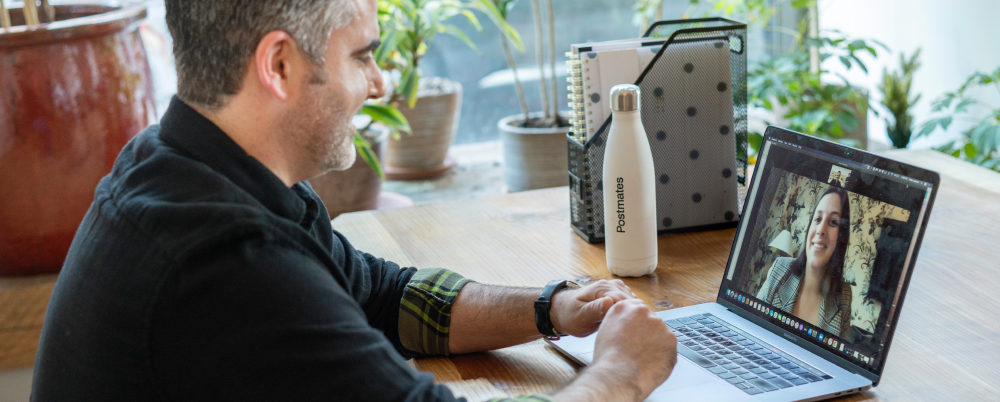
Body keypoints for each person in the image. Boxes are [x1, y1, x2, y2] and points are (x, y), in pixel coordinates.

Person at [30, 0, 678, 401]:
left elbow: (379, 295)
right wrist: (621, 373)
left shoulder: (187, 163)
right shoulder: (227, 265)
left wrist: (554, 308)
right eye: (362, 56)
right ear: (277, 65)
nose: (379, 82)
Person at [756, 187, 853, 339]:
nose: (821, 229)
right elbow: (751, 324)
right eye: (817, 219)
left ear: (841, 237)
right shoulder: (779, 268)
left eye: (833, 222)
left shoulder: (844, 296)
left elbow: (837, 357)